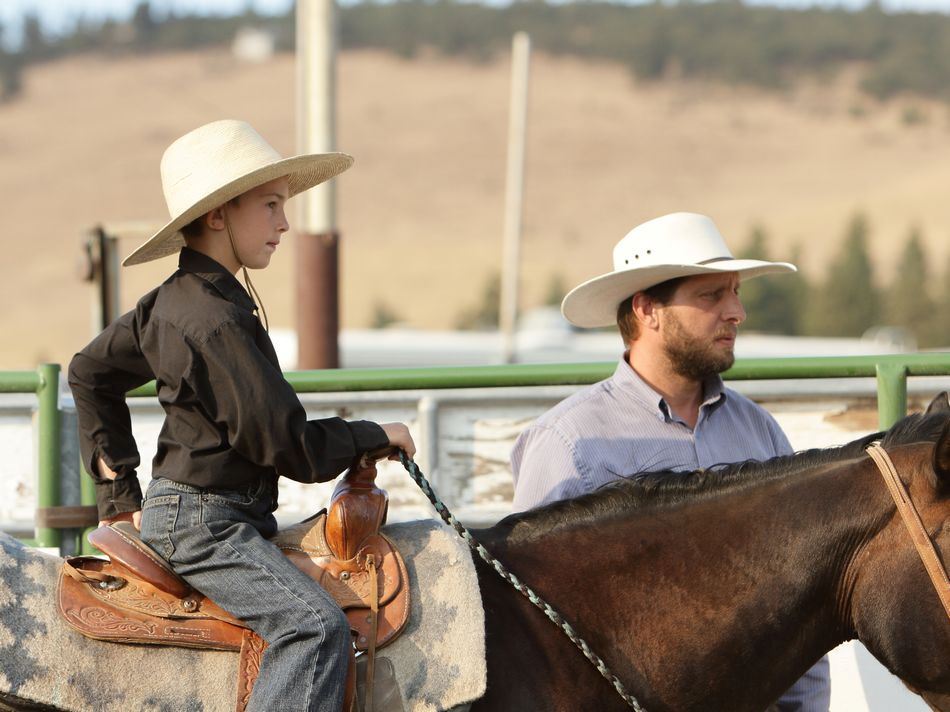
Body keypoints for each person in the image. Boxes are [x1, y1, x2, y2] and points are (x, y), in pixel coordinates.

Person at [68, 119, 416, 712]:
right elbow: (287, 444)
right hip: (206, 526)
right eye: (272, 205)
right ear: (219, 215)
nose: (285, 223)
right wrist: (373, 436)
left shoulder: (172, 302)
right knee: (315, 628)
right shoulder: (216, 320)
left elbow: (89, 372)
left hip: (192, 512)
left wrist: (118, 496)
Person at [510, 212, 829, 712]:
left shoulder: (760, 433)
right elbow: (531, 629)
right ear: (647, 310)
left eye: (735, 292)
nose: (736, 312)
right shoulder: (570, 443)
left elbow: (803, 600)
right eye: (711, 295)